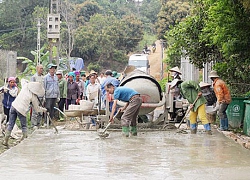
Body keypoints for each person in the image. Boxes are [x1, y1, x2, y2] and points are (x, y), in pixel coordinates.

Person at [2, 81, 47, 147]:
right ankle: (25, 140)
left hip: (14, 106)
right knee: (24, 126)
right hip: (21, 110)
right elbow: (37, 108)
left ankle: (5, 141)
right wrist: (44, 110)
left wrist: (28, 83)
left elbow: (23, 80)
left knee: (11, 124)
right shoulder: (34, 97)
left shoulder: (25, 86)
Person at [30, 64, 44, 129]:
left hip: (42, 96)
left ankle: (38, 124)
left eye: (42, 69)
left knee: (40, 111)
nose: (42, 70)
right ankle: (33, 124)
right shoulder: (34, 77)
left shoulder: (43, 77)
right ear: (37, 69)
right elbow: (31, 87)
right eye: (40, 68)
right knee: (35, 111)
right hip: (36, 97)